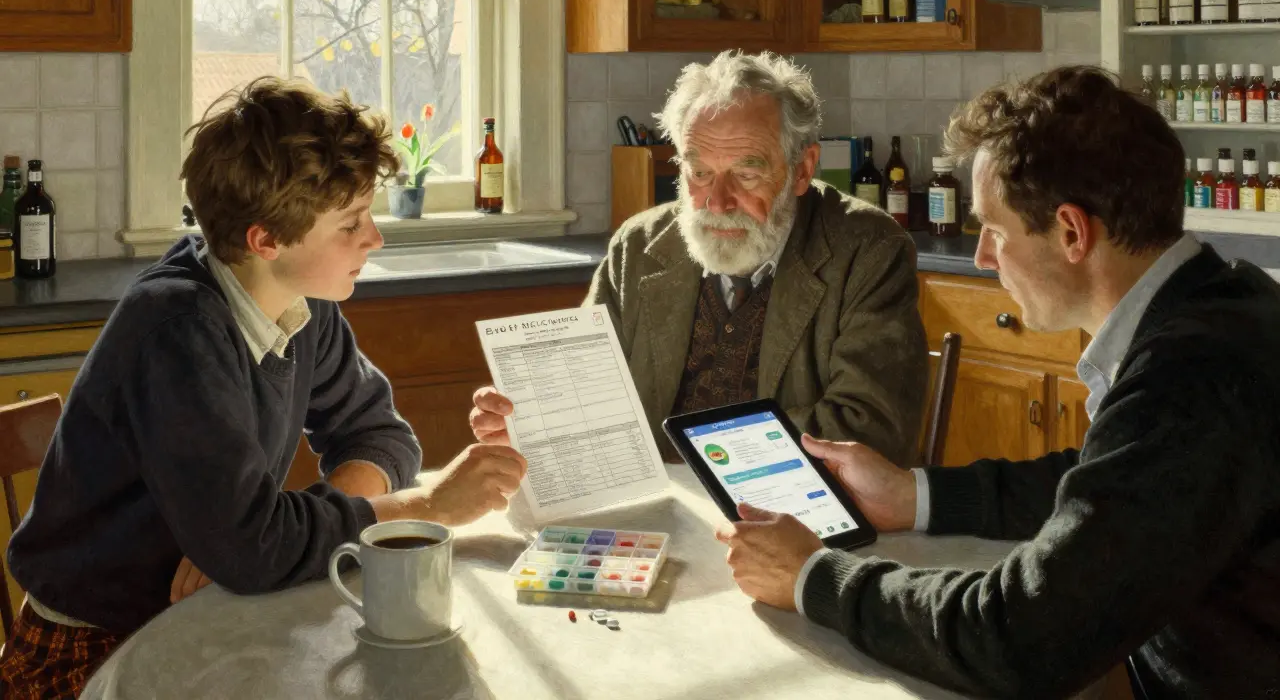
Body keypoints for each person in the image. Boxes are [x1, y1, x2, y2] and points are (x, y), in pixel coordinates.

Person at [714, 65, 1280, 700]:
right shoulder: (1229, 299)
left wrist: (813, 576)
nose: (982, 256)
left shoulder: (1190, 381)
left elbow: (1017, 636)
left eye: (994, 229)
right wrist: (914, 496)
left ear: (1071, 232)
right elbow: (1112, 487)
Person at [1, 77, 527, 698]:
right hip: (94, 649)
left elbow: (379, 435)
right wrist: (424, 508)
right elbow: (252, 551)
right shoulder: (178, 330)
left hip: (212, 610)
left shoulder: (298, 299)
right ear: (266, 239)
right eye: (351, 223)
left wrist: (272, 538)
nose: (374, 239)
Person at [471, 51, 928, 467]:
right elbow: (587, 397)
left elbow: (868, 431)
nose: (718, 201)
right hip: (658, 515)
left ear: (803, 169)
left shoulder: (868, 250)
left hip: (796, 523)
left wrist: (702, 458)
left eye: (747, 174)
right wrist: (531, 419)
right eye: (700, 173)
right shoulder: (638, 247)